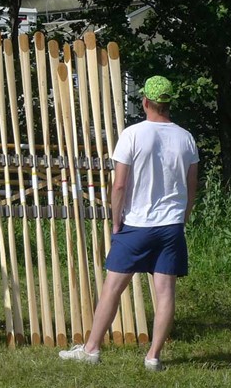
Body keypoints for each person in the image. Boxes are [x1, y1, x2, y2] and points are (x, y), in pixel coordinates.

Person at [59, 76, 199, 371]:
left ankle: (92, 349)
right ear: (168, 103)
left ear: (146, 102)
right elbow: (192, 185)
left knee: (112, 288)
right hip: (171, 226)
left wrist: (115, 221)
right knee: (165, 293)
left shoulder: (133, 134)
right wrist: (182, 218)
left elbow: (119, 185)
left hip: (136, 224)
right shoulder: (186, 137)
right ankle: (153, 357)